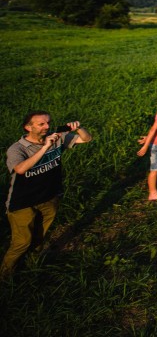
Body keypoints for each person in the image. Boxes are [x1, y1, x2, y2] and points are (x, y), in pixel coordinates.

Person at [3, 113, 92, 276]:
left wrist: (79, 128)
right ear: (28, 127)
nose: (47, 127)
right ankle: (6, 274)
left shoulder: (57, 138)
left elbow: (86, 139)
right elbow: (20, 169)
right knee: (22, 242)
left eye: (48, 123)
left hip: (49, 197)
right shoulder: (17, 148)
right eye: (41, 124)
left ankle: (31, 264)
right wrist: (45, 148)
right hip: (23, 202)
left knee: (39, 236)